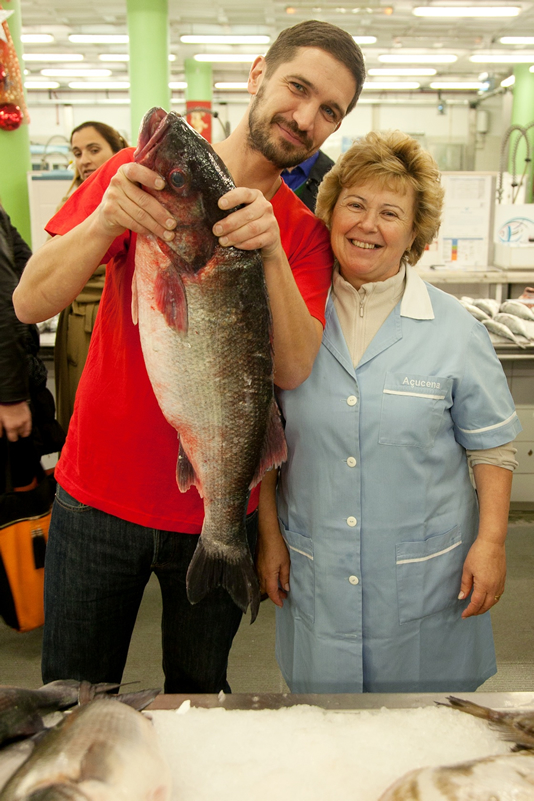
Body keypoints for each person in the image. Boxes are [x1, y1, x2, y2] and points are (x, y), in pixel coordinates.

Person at [13, 21, 366, 693]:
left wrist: (268, 252)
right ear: (259, 73)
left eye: (330, 110)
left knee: (200, 700)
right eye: (298, 88)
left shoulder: (300, 233)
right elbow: (30, 301)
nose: (306, 117)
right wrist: (107, 219)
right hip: (95, 501)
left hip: (216, 506)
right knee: (71, 697)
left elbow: (293, 369)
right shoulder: (141, 178)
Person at [256, 130, 522, 695]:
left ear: (413, 234)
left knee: (428, 748)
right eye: (354, 204)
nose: (367, 225)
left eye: (390, 212)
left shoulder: (457, 331)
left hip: (431, 577)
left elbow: (491, 446)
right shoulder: (288, 319)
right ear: (328, 215)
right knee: (326, 744)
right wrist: (269, 536)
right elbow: (264, 441)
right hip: (316, 563)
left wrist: (492, 542)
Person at [54, 122, 129, 434]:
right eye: (77, 153)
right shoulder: (71, 202)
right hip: (70, 323)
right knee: (74, 415)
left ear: (118, 151)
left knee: (101, 419)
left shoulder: (132, 203)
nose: (83, 159)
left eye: (93, 150)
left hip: (107, 322)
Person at [0, 204, 64, 494]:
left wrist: (11, 397)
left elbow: (10, 300)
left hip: (9, 390)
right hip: (12, 384)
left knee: (20, 505)